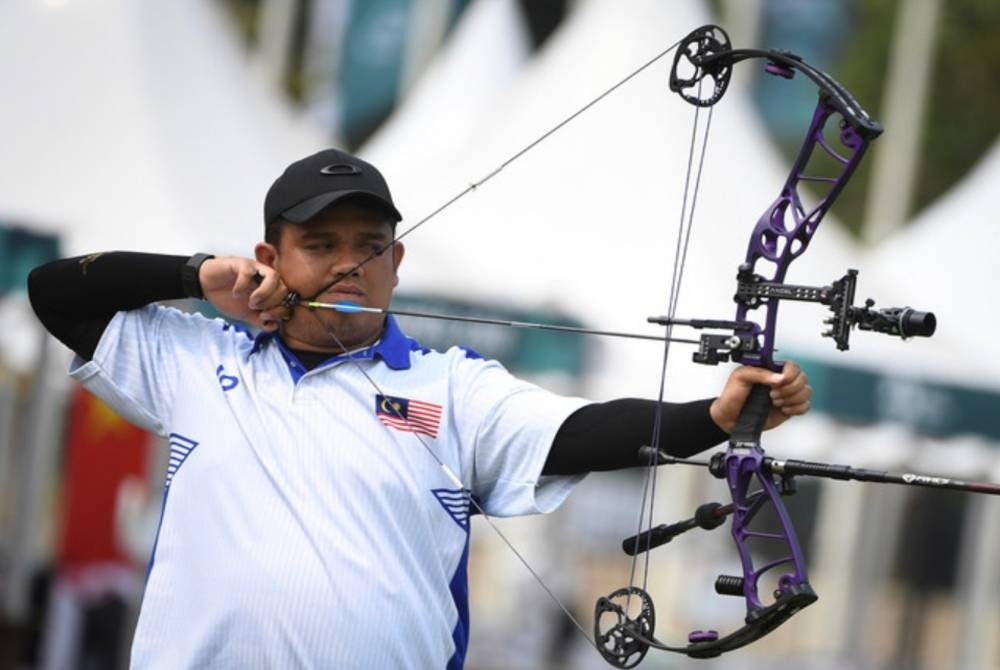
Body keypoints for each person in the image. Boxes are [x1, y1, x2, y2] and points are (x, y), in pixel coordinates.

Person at [27, 148, 811, 669]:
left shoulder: (452, 388)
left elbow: (578, 431)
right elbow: (53, 291)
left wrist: (711, 416)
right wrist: (196, 273)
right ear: (270, 258)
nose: (347, 265)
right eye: (320, 243)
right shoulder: (197, 361)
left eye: (367, 246)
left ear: (396, 263)